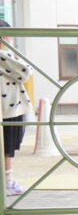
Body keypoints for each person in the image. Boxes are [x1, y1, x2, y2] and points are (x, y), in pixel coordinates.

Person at [1, 19, 34, 197]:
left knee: (7, 147)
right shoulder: (4, 55)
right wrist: (12, 51)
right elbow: (25, 72)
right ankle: (8, 183)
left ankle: (7, 182)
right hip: (9, 108)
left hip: (8, 107)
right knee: (8, 147)